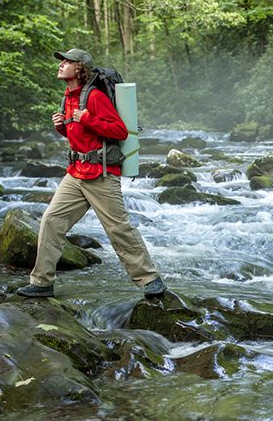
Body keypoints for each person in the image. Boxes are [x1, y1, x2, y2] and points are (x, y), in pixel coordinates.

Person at [17, 48, 165, 298]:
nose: (61, 64)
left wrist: (86, 118)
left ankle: (150, 279)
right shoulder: (68, 98)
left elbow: (119, 131)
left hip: (101, 173)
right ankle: (42, 282)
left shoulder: (94, 97)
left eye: (67, 61)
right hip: (76, 173)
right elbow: (80, 137)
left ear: (80, 68)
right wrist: (62, 129)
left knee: (118, 228)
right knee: (51, 220)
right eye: (61, 61)